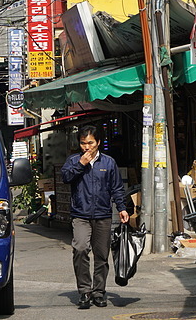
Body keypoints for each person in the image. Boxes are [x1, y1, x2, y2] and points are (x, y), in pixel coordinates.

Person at [61, 124, 129, 309]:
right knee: (81, 248)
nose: (86, 147)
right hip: (80, 215)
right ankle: (84, 291)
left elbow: (116, 187)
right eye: (83, 143)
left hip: (103, 214)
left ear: (98, 142)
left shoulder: (108, 163)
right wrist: (80, 164)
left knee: (101, 255)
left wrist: (122, 208)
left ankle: (99, 292)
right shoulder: (73, 160)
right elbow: (65, 177)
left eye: (90, 143)